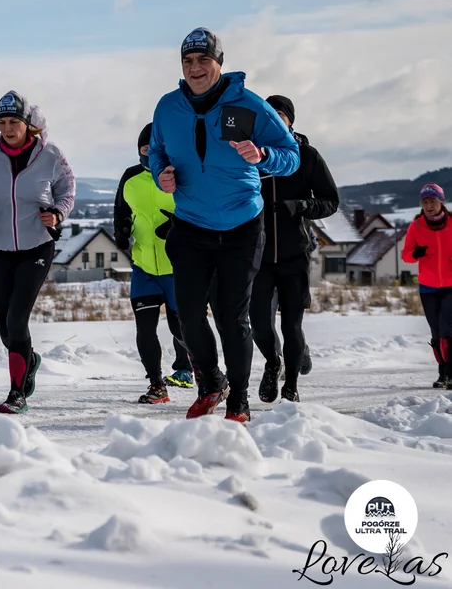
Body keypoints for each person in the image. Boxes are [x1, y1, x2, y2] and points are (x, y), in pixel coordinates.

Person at [149, 27, 299, 423]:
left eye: (203, 60)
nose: (195, 68)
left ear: (219, 63)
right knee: (188, 313)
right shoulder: (167, 107)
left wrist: (263, 154)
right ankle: (212, 383)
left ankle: (240, 400)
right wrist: (159, 174)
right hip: (190, 226)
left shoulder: (248, 105)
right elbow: (157, 153)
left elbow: (292, 156)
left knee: (233, 317)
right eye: (188, 61)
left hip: (241, 227)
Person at [0, 91, 75, 414]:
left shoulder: (51, 154)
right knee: (4, 325)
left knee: (17, 318)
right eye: (2, 122)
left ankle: (16, 393)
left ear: (28, 124)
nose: (8, 128)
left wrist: (57, 213)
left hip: (36, 245)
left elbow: (67, 188)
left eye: (14, 122)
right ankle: (29, 359)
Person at [250, 95, 338, 404]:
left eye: (278, 114)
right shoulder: (250, 155)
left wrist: (300, 205)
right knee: (259, 325)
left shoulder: (307, 156)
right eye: (266, 115)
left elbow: (330, 201)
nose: (272, 119)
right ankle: (273, 364)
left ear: (289, 120)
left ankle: (292, 386)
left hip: (294, 255)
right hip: (256, 257)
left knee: (291, 325)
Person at [114, 122, 193, 405]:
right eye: (143, 149)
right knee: (144, 330)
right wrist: (121, 233)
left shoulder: (179, 176)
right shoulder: (131, 177)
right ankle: (157, 386)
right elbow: (121, 211)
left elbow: (197, 210)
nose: (147, 154)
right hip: (144, 267)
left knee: (181, 329)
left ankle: (207, 375)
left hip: (177, 269)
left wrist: (176, 226)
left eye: (153, 149)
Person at [401, 183, 452, 389]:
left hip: (450, 284)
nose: (429, 205)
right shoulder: (417, 226)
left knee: (447, 326)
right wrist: (415, 254)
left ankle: (450, 373)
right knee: (436, 332)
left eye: (432, 201)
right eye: (425, 202)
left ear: (441, 202)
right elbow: (405, 255)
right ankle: (442, 373)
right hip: (428, 286)